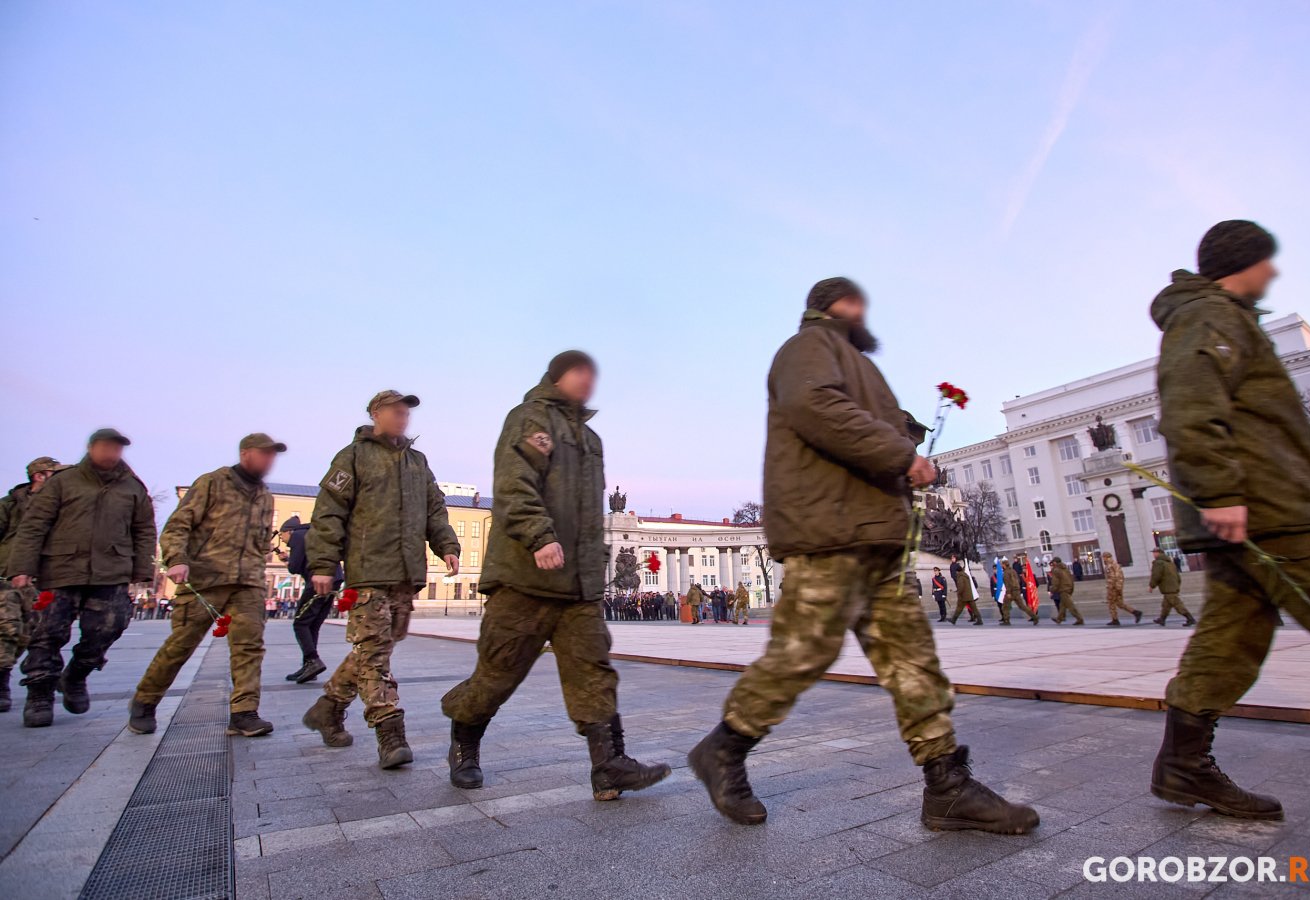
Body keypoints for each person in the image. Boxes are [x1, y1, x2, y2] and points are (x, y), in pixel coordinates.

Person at [687, 277, 1036, 833]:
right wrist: (899, 451)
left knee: (913, 661)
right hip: (832, 533)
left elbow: (865, 424)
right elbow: (816, 406)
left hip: (876, 534)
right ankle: (724, 750)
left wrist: (906, 439)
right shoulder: (809, 348)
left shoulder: (855, 362)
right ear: (833, 307)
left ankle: (946, 785)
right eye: (855, 302)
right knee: (802, 653)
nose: (862, 311)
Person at [1149, 221, 1310, 820]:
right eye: (1267, 261)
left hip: (1264, 509)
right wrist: (1220, 490)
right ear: (1243, 261)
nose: (1275, 273)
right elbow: (1190, 406)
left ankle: (1184, 767)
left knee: (1229, 643)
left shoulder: (1218, 317)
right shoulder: (1211, 316)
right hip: (1275, 513)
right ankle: (1184, 765)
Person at [440, 351, 670, 800]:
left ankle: (609, 765)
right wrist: (540, 536)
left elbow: (588, 520)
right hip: (525, 577)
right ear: (557, 376)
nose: (588, 380)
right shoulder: (530, 419)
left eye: (592, 374)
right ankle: (464, 737)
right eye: (579, 372)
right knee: (498, 674)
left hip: (578, 587)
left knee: (594, 672)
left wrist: (593, 577)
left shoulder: (590, 439)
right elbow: (514, 483)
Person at [300, 391, 462, 769]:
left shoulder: (417, 462)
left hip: (406, 574)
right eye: (395, 411)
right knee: (374, 654)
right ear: (375, 413)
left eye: (406, 413)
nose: (402, 418)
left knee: (376, 648)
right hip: (368, 571)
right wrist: (322, 564)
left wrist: (447, 546)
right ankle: (389, 731)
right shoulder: (353, 457)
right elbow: (328, 513)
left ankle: (329, 706)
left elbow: (435, 509)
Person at [129, 434, 286, 737]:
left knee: (249, 648)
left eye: (272, 455)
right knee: (181, 645)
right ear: (245, 454)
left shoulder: (265, 496)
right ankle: (145, 701)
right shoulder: (212, 483)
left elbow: (260, 540)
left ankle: (244, 712)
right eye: (263, 454)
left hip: (248, 582)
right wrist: (176, 559)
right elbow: (178, 525)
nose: (269, 460)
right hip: (205, 579)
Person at [9, 429, 155, 728]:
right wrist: (21, 567)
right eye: (104, 447)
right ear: (91, 448)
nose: (109, 453)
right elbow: (34, 525)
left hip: (110, 571)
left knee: (110, 626)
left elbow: (144, 529)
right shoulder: (63, 482)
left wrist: (142, 569)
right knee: (47, 633)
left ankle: (76, 675)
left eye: (115, 449)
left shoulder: (132, 487)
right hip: (59, 570)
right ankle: (40, 693)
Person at [0, 457, 68, 712]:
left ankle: (39, 680)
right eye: (54, 473)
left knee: (37, 633)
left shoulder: (62, 504)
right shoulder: (11, 505)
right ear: (39, 476)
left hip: (47, 577)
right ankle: (3, 681)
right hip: (10, 577)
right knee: (8, 627)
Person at [277, 515, 344, 683]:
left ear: (288, 531)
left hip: (318, 581)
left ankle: (312, 660)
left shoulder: (298, 536)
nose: (283, 541)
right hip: (333, 579)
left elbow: (295, 567)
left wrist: (288, 561)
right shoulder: (312, 533)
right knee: (313, 624)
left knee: (300, 622)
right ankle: (309, 666)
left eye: (281, 536)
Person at [1149, 548, 1195, 627]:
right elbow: (1178, 576)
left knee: (1178, 605)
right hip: (1173, 587)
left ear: (1158, 553)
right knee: (1166, 605)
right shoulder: (1170, 563)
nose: (1153, 554)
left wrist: (1151, 585)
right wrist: (1177, 585)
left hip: (1168, 588)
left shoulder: (1158, 563)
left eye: (1154, 552)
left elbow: (1156, 575)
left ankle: (1190, 618)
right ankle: (1162, 619)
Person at [1102, 551, 1142, 626]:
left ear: (1107, 557)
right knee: (1120, 604)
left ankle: (1115, 619)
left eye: (1104, 557)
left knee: (1111, 603)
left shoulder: (1113, 565)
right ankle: (1136, 612)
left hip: (1114, 588)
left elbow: (1119, 577)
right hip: (1112, 587)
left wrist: (1117, 587)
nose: (1103, 559)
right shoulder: (1108, 565)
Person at [998, 556, 1037, 625]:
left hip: (1011, 592)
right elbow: (1018, 580)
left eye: (1002, 565)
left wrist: (1009, 593)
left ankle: (1006, 620)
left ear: (1004, 565)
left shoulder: (1006, 573)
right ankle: (1034, 616)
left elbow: (1008, 584)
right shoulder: (1013, 571)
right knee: (1022, 606)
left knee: (1005, 606)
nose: (1001, 566)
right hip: (1017, 591)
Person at [1049, 557, 1084, 625]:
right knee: (1062, 605)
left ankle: (1079, 619)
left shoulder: (1056, 570)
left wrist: (1052, 590)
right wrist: (1071, 588)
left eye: (1053, 562)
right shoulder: (1065, 569)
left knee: (1070, 606)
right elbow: (1071, 579)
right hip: (1068, 588)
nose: (1052, 564)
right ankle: (1059, 619)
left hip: (1063, 589)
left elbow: (1056, 582)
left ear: (1055, 562)